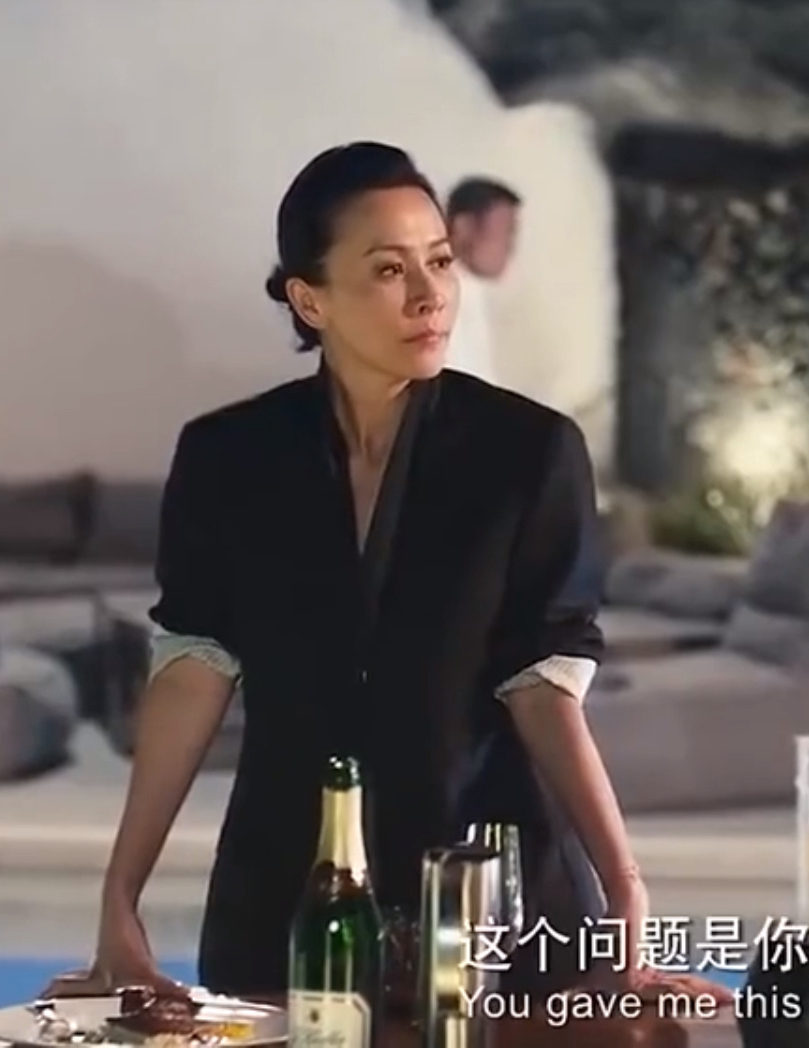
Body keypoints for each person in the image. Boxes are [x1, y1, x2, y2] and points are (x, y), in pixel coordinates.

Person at [60, 142, 663, 1000]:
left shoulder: (528, 452)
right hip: (286, 901)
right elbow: (193, 667)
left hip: (485, 903)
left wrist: (625, 889)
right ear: (310, 299)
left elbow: (544, 684)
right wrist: (120, 894)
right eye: (388, 269)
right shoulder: (228, 457)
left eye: (440, 261)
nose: (429, 295)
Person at [441, 176, 520, 381]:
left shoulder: (471, 292)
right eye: (505, 232)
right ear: (464, 227)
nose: (510, 246)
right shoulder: (440, 295)